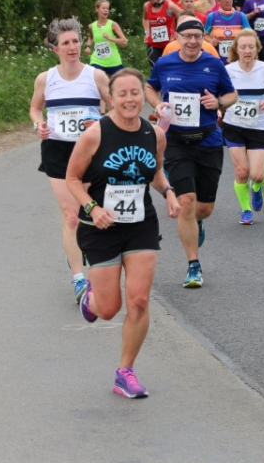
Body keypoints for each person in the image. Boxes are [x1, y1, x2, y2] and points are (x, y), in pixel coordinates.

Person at [66, 68, 181, 399]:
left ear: (143, 95)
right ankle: (91, 298)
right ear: (111, 99)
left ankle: (125, 371)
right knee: (108, 309)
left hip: (140, 225)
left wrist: (168, 192)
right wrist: (92, 209)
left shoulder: (155, 134)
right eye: (122, 94)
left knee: (140, 300)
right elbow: (73, 179)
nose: (130, 99)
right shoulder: (95, 135)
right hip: (100, 228)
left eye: (135, 92)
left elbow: (156, 170)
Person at [146, 18, 238, 288]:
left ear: (203, 38)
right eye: (187, 36)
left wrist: (219, 102)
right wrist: (158, 103)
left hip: (208, 141)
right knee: (185, 201)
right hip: (175, 142)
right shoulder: (165, 63)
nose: (193, 41)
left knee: (204, 208)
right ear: (177, 37)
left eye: (198, 36)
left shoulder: (214, 64)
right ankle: (193, 265)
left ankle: (198, 222)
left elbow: (233, 94)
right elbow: (150, 87)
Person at [29, 17, 112, 303]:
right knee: (71, 215)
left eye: (76, 41)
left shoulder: (96, 76)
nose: (72, 47)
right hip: (58, 150)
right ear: (56, 49)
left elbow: (115, 109)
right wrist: (38, 124)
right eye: (66, 43)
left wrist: (100, 122)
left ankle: (79, 252)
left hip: (90, 151)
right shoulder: (45, 78)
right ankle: (79, 279)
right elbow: (35, 107)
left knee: (91, 212)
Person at [223, 30, 264, 225]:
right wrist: (218, 108)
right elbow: (220, 95)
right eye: (243, 47)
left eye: (251, 47)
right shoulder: (228, 70)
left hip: (258, 126)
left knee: (257, 175)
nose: (247, 51)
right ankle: (245, 210)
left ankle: (257, 188)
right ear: (236, 49)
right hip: (234, 126)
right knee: (241, 172)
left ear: (257, 49)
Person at [142, 0, 183, 67]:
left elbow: (183, 17)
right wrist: (147, 32)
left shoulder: (169, 6)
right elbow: (145, 19)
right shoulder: (146, 6)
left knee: (170, 69)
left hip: (169, 45)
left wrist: (177, 33)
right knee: (156, 69)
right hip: (153, 45)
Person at [205, 0, 250, 65]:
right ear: (218, 1)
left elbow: (250, 35)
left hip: (237, 58)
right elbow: (204, 35)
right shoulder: (212, 16)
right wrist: (211, 40)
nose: (227, 1)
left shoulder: (241, 16)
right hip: (218, 58)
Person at [85, 0, 128, 75]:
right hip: (97, 60)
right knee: (95, 78)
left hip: (113, 60)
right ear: (97, 9)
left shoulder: (113, 24)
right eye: (103, 8)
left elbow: (124, 41)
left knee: (122, 81)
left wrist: (110, 38)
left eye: (107, 9)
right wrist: (88, 46)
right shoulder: (91, 26)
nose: (106, 11)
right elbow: (91, 38)